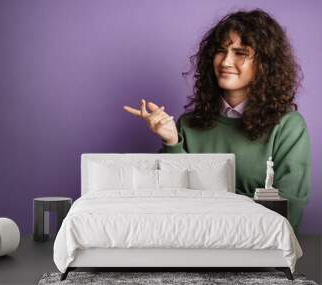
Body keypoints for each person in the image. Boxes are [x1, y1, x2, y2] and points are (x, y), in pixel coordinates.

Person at [123, 9, 310, 234]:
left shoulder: (289, 127)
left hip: (259, 250)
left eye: (240, 52)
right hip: (193, 244)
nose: (226, 61)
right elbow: (171, 203)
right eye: (221, 51)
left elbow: (288, 212)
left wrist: (211, 206)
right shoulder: (188, 125)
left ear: (264, 65)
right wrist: (172, 142)